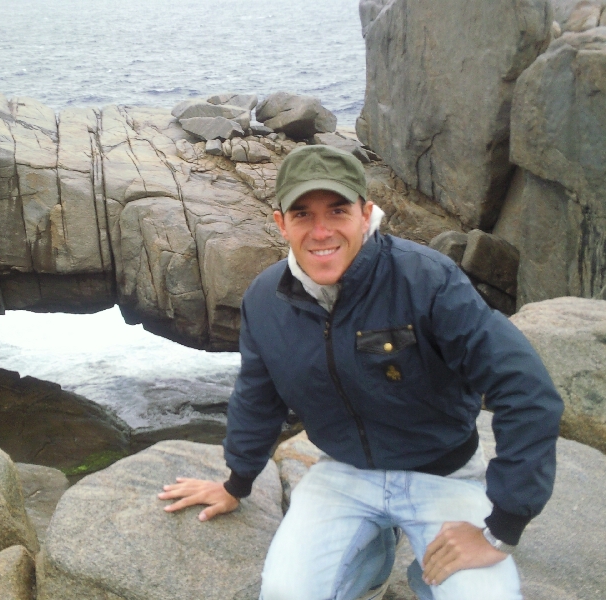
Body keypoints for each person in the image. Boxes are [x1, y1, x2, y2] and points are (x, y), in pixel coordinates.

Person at [158, 145, 563, 600]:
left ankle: (423, 575)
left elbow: (526, 390)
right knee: (285, 593)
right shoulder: (264, 299)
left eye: (337, 210)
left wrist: (501, 528)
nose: (321, 230)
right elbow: (258, 394)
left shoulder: (425, 278)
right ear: (280, 224)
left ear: (366, 213)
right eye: (302, 214)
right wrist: (237, 482)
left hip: (445, 474)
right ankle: (372, 565)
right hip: (344, 472)